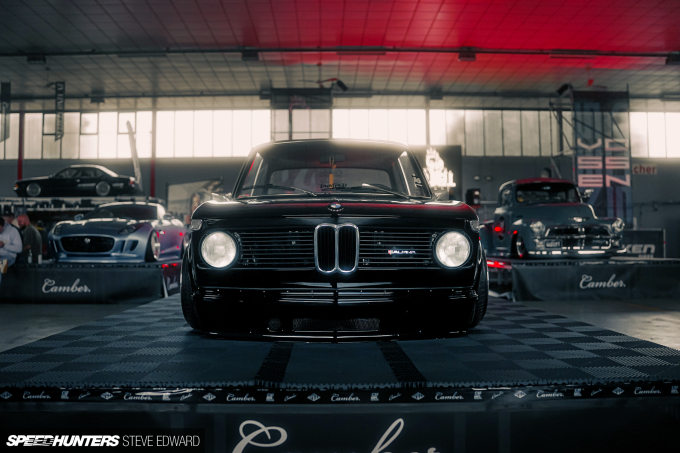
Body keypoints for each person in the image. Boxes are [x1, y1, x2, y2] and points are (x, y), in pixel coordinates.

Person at [0, 217, 23, 287]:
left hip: (9, 257)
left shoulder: (13, 231)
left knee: (0, 265)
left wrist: (4, 245)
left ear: (3, 225)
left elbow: (19, 249)